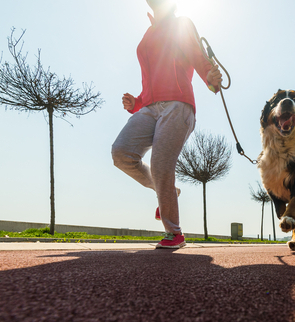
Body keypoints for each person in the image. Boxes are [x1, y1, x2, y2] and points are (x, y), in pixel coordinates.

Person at [111, 0, 222, 249]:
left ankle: (175, 233)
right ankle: (166, 191)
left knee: (161, 164)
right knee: (121, 153)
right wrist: (137, 102)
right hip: (150, 107)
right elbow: (151, 79)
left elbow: (197, 55)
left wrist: (210, 79)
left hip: (178, 104)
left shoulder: (181, 24)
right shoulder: (149, 32)